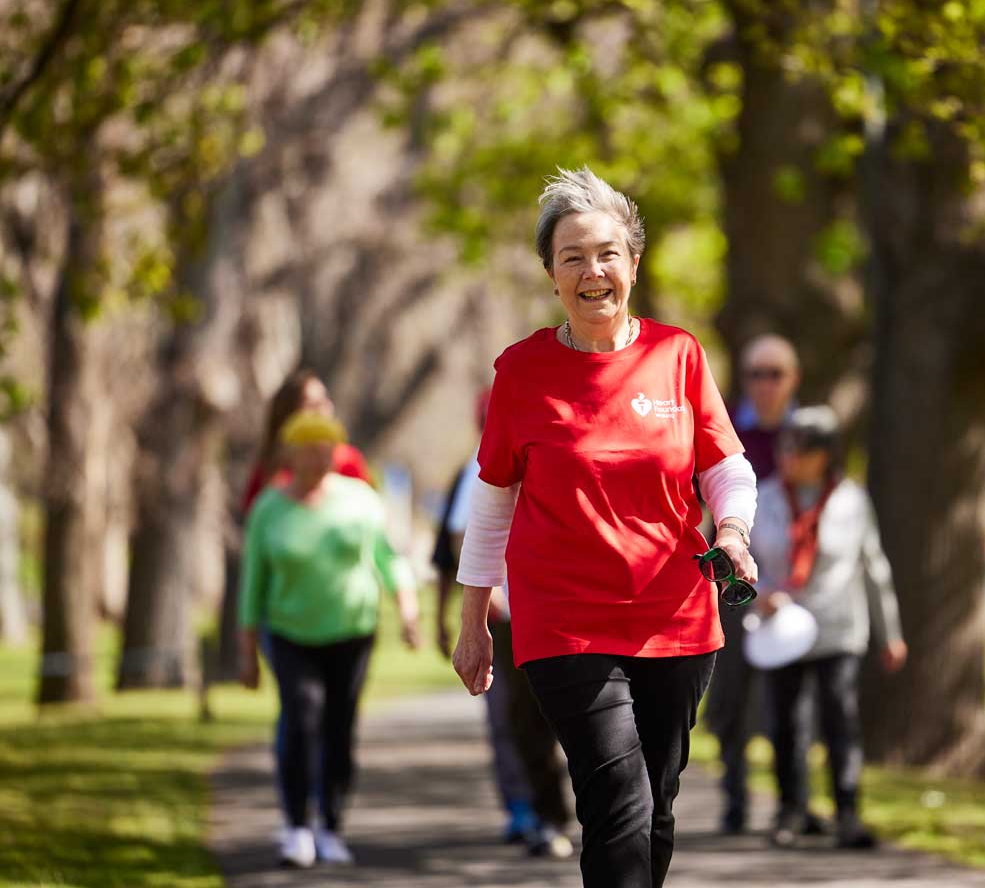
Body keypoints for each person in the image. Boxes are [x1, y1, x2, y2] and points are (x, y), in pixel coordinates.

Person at [451, 166, 758, 888]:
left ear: (634, 263)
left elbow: (725, 467)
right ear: (552, 275)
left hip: (677, 617)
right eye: (573, 257)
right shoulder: (521, 371)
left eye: (608, 253)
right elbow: (493, 500)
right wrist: (472, 622)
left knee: (655, 807)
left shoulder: (677, 356)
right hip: (565, 623)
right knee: (616, 797)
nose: (594, 271)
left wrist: (735, 530)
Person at [239, 410, 421, 868]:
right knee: (301, 718)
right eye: (312, 451)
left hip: (352, 631)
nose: (322, 459)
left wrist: (407, 609)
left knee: (340, 728)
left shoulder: (359, 499)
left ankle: (331, 826)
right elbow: (251, 584)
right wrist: (246, 652)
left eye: (329, 451)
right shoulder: (269, 508)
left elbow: (387, 556)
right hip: (289, 632)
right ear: (291, 456)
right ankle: (296, 826)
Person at [750, 405, 908, 850]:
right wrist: (760, 593)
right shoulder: (765, 498)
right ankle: (792, 811)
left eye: (799, 450)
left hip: (838, 629)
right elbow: (747, 562)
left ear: (823, 455)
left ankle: (848, 812)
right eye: (785, 447)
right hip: (781, 628)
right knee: (786, 725)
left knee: (840, 721)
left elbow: (874, 568)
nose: (789, 457)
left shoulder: (851, 500)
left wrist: (890, 633)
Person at [432, 400, 573, 860]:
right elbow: (460, 538)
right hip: (510, 615)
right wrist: (486, 599)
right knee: (523, 722)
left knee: (574, 717)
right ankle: (544, 817)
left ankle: (592, 812)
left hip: (564, 609)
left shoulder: (557, 446)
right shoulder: (479, 462)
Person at [705, 334, 802, 835]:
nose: (764, 385)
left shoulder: (805, 434)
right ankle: (735, 800)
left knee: (790, 701)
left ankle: (793, 805)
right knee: (730, 701)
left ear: (793, 380)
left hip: (793, 587)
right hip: (733, 588)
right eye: (755, 374)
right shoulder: (724, 431)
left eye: (775, 374)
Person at [241, 368, 371, 517]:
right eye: (312, 405)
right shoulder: (270, 466)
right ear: (289, 413)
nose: (322, 411)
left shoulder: (348, 461)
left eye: (324, 401)